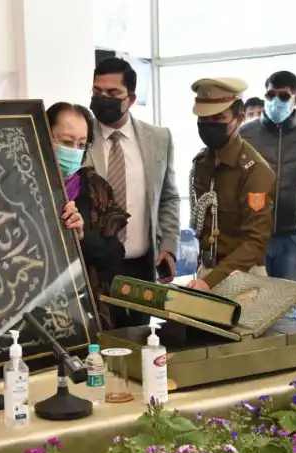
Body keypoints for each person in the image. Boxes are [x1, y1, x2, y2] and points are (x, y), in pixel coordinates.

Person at [87, 57, 180, 327]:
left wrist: (169, 246)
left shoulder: (158, 138)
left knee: (139, 341)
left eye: (113, 93)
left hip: (140, 266)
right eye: (97, 92)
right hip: (95, 268)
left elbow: (168, 197)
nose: (103, 98)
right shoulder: (81, 138)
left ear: (131, 97)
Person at [185, 78, 276, 291]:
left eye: (218, 118)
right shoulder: (202, 163)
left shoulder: (254, 170)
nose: (209, 125)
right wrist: (205, 277)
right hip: (206, 271)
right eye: (204, 118)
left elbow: (255, 242)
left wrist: (210, 281)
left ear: (239, 118)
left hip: (243, 275)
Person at [47, 102, 129, 330]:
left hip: (82, 313)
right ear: (43, 135)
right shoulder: (19, 183)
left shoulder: (97, 190)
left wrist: (84, 236)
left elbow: (114, 257)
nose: (73, 150)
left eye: (81, 144)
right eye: (65, 142)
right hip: (29, 304)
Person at [241, 71, 296, 287]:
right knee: (252, 300)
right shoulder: (245, 134)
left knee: (287, 304)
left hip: (293, 236)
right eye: (270, 95)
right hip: (254, 235)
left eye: (284, 96)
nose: (276, 101)